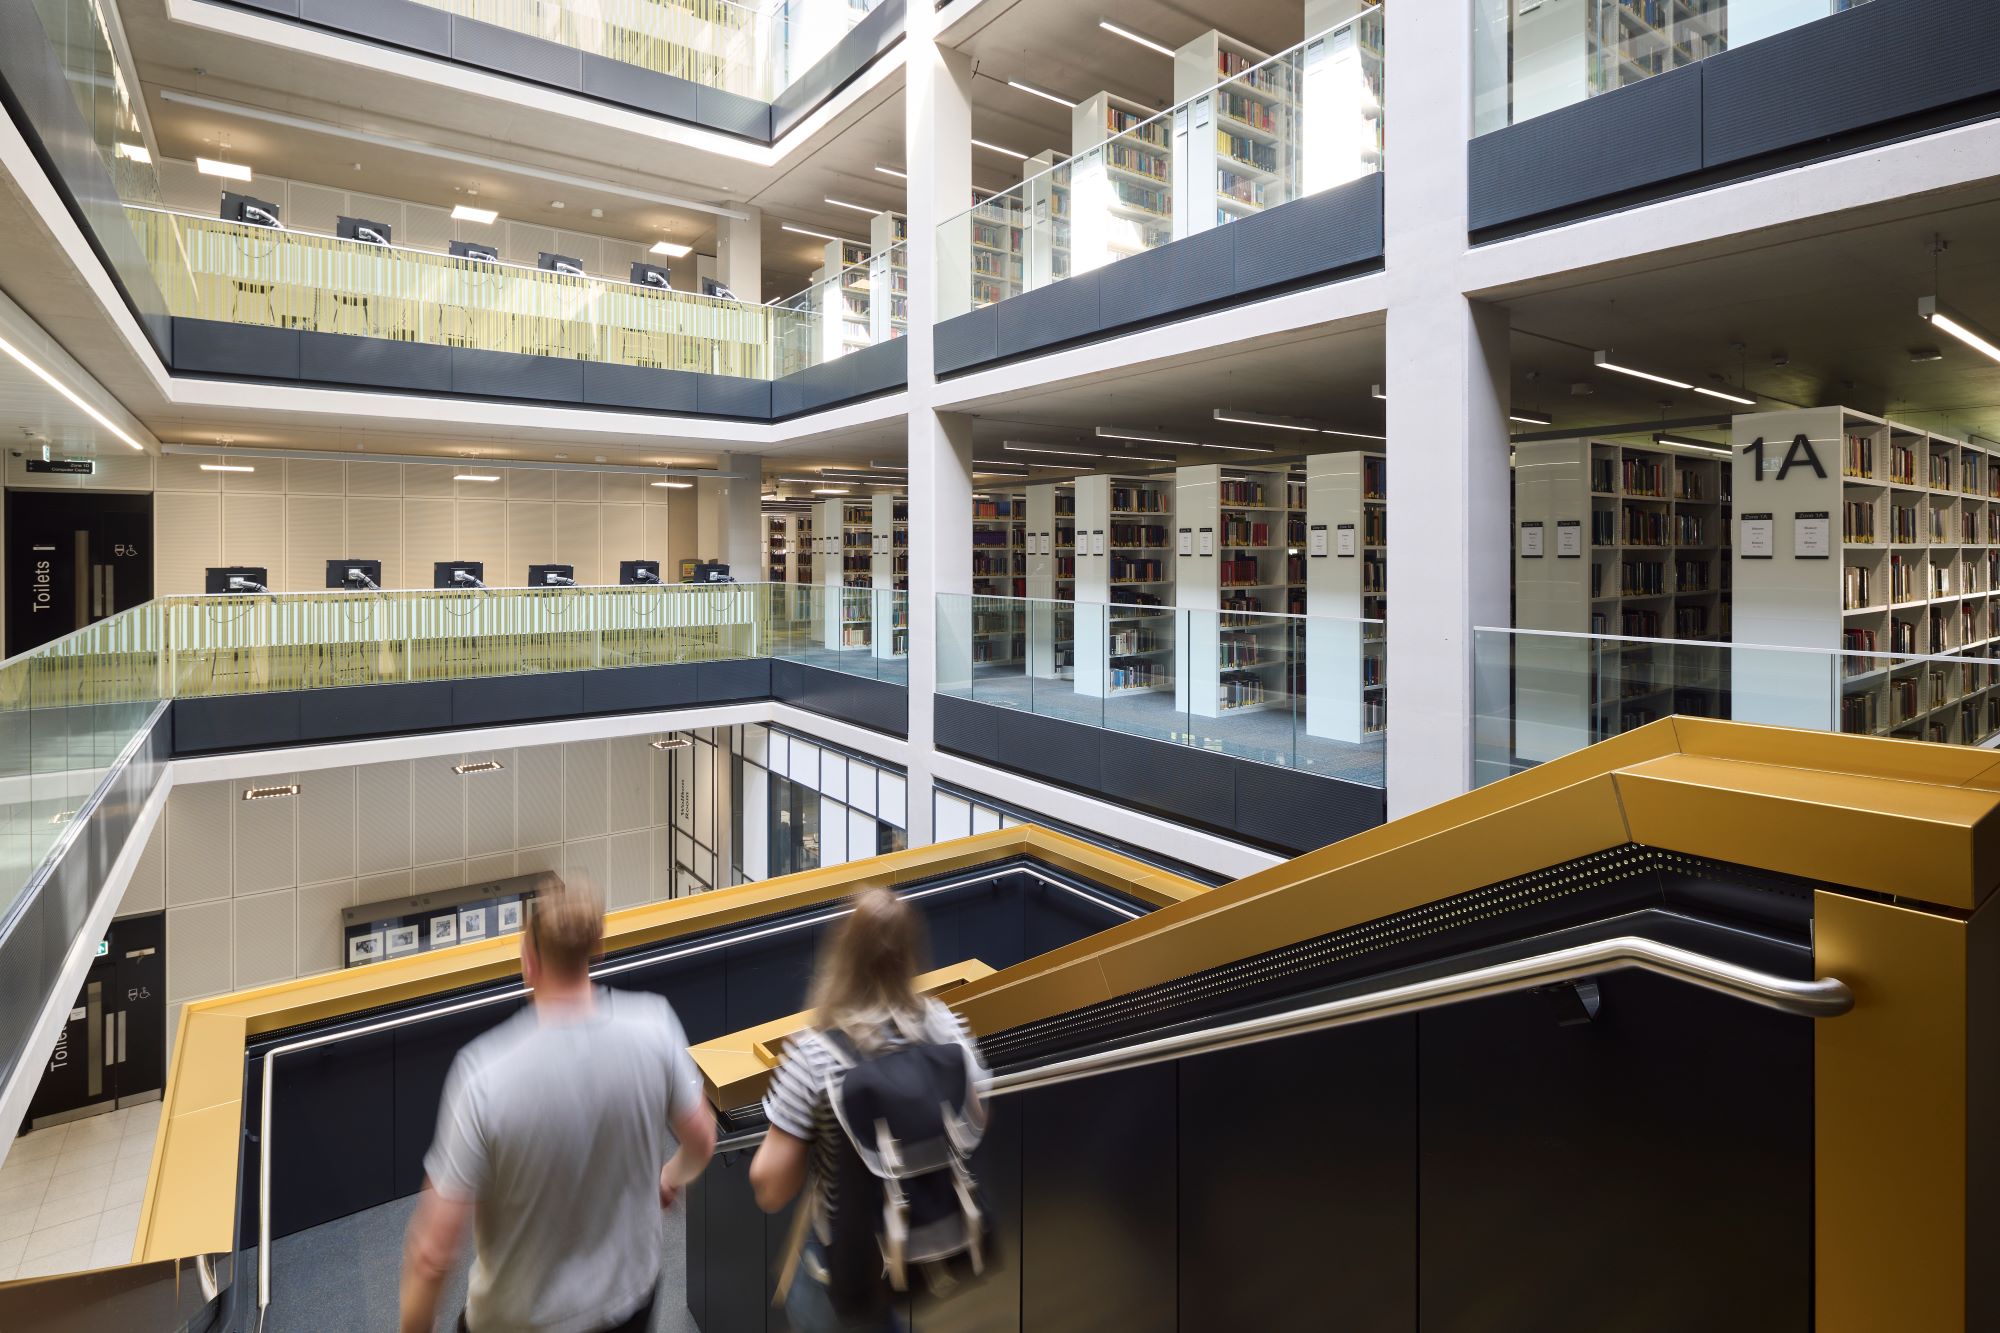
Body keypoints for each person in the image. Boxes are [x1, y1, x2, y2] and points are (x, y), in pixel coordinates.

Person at [399, 875, 716, 1333]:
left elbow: (431, 1255)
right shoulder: (654, 1025)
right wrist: (669, 1176)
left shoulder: (484, 1075)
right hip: (631, 1303)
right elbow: (702, 1139)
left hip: (520, 1322)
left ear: (528, 961)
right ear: (597, 948)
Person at [750, 886, 991, 1332]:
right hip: (931, 1241)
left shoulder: (814, 1054)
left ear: (842, 954)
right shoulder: (946, 1026)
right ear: (912, 952)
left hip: (849, 1265)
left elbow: (770, 1187)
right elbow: (976, 1122)